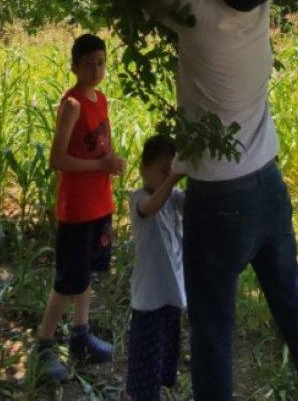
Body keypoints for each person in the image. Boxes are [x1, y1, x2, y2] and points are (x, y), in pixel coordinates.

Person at [147, 0, 298, 400]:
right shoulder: (257, 10)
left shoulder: (199, 17)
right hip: (267, 186)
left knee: (213, 331)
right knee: (296, 310)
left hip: (218, 201)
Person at [32, 33, 126, 383]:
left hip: (100, 203)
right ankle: (43, 346)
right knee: (68, 280)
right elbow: (57, 159)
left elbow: (102, 144)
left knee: (87, 273)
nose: (95, 69)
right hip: (77, 207)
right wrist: (101, 166)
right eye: (88, 63)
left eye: (101, 62)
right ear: (74, 66)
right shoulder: (71, 104)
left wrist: (111, 163)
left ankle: (80, 335)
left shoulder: (101, 99)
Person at [126, 135, 186, 401]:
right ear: (143, 170)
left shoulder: (174, 197)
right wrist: (174, 179)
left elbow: (195, 203)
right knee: (145, 366)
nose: (168, 177)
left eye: (171, 171)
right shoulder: (138, 199)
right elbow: (151, 207)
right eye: (163, 171)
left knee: (161, 362)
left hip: (172, 296)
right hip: (149, 300)